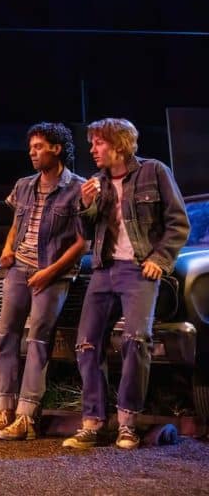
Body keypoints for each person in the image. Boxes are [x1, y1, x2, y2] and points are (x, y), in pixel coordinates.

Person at [63, 118, 189, 450]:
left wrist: (159, 261)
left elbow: (178, 223)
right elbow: (87, 234)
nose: (92, 149)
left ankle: (127, 423)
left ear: (119, 144)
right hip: (103, 270)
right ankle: (93, 422)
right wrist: (86, 207)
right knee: (86, 344)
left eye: (98, 143)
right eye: (91, 143)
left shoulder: (154, 172)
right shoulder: (95, 183)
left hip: (138, 270)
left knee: (136, 341)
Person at [0, 123, 86, 441]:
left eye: (39, 147)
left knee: (39, 339)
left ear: (56, 148)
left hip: (53, 275)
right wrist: (7, 247)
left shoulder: (77, 188)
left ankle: (27, 417)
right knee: (5, 336)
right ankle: (5, 410)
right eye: (31, 148)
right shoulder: (24, 185)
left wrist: (50, 272)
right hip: (19, 270)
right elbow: (17, 223)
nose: (32, 153)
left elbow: (84, 242)